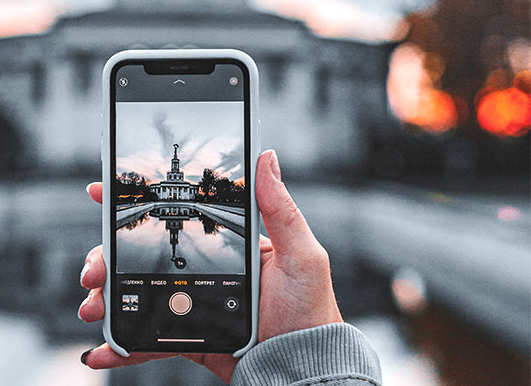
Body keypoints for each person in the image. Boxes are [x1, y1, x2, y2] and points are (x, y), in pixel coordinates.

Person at [78, 150, 382, 385]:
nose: (175, 183)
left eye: (176, 178)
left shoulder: (183, 188)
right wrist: (308, 365)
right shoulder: (173, 189)